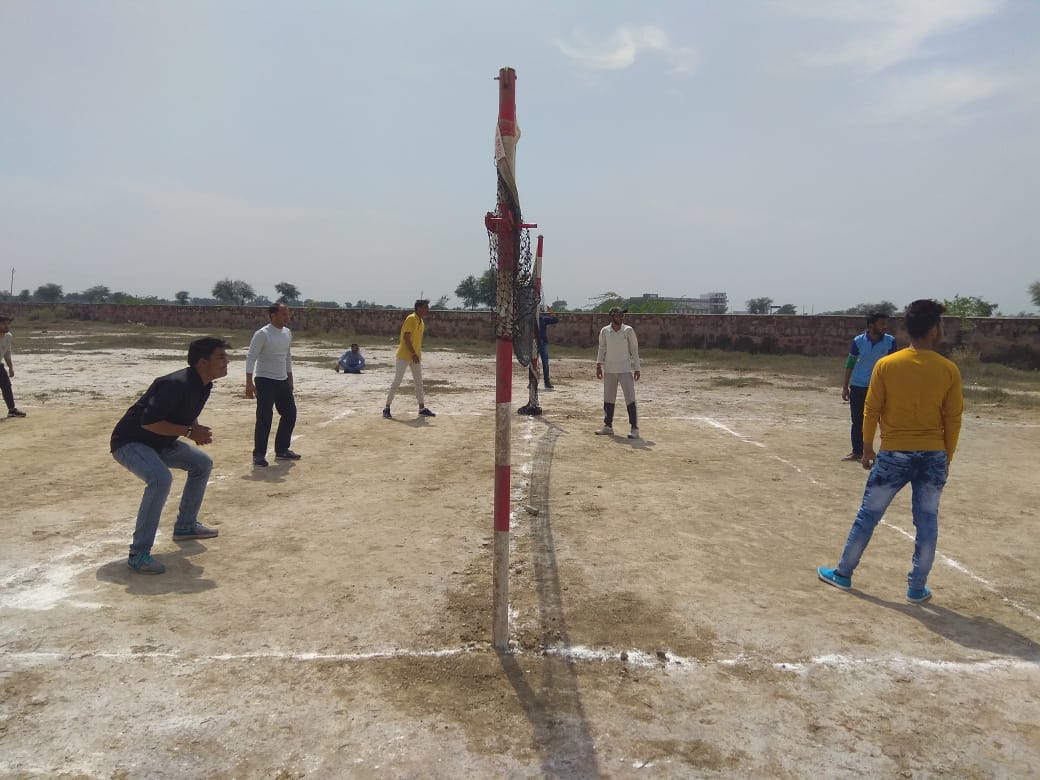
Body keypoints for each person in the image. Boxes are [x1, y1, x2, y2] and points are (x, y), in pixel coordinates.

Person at [818, 299, 963, 604]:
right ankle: (916, 587)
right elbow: (953, 419)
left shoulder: (887, 365)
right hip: (933, 454)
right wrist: (946, 457)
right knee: (926, 520)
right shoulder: (948, 370)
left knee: (868, 515)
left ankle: (844, 573)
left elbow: (871, 409)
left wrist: (867, 448)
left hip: (894, 453)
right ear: (933, 330)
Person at [111, 337, 229, 574]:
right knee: (160, 479)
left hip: (161, 442)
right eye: (220, 357)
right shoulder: (175, 384)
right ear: (202, 362)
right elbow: (149, 422)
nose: (227, 362)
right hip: (131, 442)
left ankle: (185, 526)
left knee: (202, 463)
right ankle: (138, 554)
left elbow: (186, 412)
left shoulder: (203, 384)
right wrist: (189, 432)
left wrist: (194, 428)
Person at [246, 303, 300, 467]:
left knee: (290, 413)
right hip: (265, 380)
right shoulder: (262, 334)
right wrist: (249, 382)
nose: (287, 317)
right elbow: (251, 357)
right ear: (273, 315)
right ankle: (259, 455)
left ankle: (282, 449)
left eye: (287, 314)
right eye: (283, 314)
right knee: (264, 418)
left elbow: (287, 356)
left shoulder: (287, 333)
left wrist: (290, 377)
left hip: (282, 380)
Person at [841, 311, 897, 461]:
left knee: (883, 421)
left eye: (886, 324)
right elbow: (850, 363)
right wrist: (845, 386)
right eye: (881, 324)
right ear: (871, 325)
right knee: (858, 420)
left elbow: (894, 365)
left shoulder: (890, 341)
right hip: (858, 386)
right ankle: (857, 452)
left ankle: (887, 452)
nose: (885, 327)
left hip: (880, 387)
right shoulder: (858, 341)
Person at [383, 299, 435, 420]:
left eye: (427, 307)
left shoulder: (421, 321)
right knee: (397, 381)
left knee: (419, 382)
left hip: (416, 356)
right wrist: (413, 353)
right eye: (425, 307)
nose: (427, 309)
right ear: (418, 308)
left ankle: (422, 408)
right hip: (404, 355)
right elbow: (406, 338)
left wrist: (416, 354)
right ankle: (386, 408)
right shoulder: (411, 318)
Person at [594, 307, 641, 440]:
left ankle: (634, 428)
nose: (621, 317)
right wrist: (598, 365)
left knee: (630, 398)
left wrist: (637, 368)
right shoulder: (605, 331)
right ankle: (608, 426)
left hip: (625, 369)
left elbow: (634, 350)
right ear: (612, 317)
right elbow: (602, 348)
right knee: (608, 398)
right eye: (619, 315)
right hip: (609, 369)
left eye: (622, 315)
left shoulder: (628, 330)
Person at [0, 315, 27, 418]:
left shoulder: (8, 337)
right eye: (3, 324)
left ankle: (12, 411)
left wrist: (11, 367)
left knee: (6, 386)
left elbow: (7, 353)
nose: (6, 326)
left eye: (7, 324)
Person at [537, 306, 560, 389]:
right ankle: (531, 382)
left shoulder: (544, 319)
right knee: (533, 363)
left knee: (545, 363)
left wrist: (551, 312)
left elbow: (555, 320)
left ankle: (547, 382)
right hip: (534, 343)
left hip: (543, 342)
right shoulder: (531, 319)